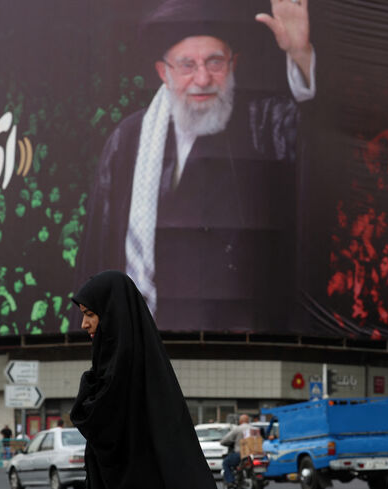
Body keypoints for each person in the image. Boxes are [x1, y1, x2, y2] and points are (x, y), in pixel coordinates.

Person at [76, 0, 315, 332]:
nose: (202, 78)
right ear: (165, 72)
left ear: (233, 65)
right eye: (187, 65)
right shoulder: (129, 139)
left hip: (242, 340)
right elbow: (99, 248)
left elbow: (318, 136)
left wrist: (301, 55)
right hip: (143, 336)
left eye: (214, 62)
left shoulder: (264, 122)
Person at [69, 271, 215, 489]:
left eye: (90, 314)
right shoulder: (116, 367)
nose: (84, 324)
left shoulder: (127, 371)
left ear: (112, 314)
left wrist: (89, 392)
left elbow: (101, 422)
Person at [220, 414, 256, 488]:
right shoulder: (254, 429)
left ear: (240, 421)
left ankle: (230, 481)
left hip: (241, 454)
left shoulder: (238, 429)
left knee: (225, 463)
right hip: (254, 455)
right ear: (248, 421)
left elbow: (224, 440)